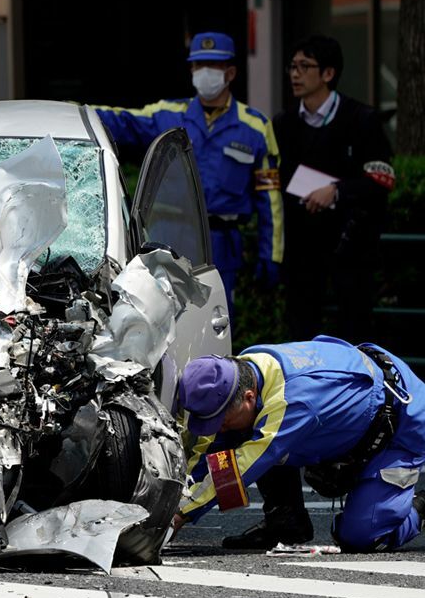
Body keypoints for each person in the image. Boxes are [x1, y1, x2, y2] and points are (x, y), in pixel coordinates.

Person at [95, 31, 283, 321]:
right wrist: (71, 111)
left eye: (212, 65)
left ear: (230, 72)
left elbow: (270, 200)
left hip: (221, 243)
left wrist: (272, 254)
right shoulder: (168, 113)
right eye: (197, 65)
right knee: (161, 322)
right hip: (168, 238)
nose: (203, 72)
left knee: (216, 322)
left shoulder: (255, 127)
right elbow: (120, 120)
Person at [173, 338, 425, 551]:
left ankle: (419, 507)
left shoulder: (294, 402)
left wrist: (180, 516)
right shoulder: (242, 370)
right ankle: (286, 522)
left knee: (360, 538)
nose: (218, 428)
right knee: (239, 436)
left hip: (400, 427)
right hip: (349, 413)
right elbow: (207, 448)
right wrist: (174, 500)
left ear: (249, 397)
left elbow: (242, 465)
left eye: (221, 420)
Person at [274, 35, 394, 343]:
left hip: (349, 245)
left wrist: (337, 190)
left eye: (304, 66)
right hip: (302, 248)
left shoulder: (362, 119)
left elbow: (382, 179)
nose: (295, 74)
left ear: (328, 74)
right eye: (292, 66)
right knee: (301, 330)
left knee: (354, 329)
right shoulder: (284, 124)